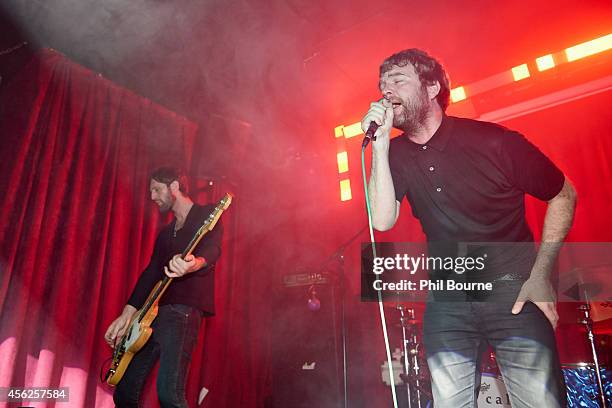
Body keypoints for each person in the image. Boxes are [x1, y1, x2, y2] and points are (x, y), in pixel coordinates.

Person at [361, 48, 576, 407]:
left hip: (514, 294)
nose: (386, 91)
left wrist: (541, 275)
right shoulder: (394, 155)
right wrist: (379, 148)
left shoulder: (495, 141)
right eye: (382, 84)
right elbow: (382, 220)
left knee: (539, 401)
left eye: (398, 80)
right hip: (447, 300)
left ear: (431, 89)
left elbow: (563, 194)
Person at [104, 167, 223, 408]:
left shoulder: (206, 214)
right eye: (150, 191)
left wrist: (195, 264)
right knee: (124, 393)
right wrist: (127, 313)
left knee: (169, 394)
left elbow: (213, 248)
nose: (152, 196)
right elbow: (151, 272)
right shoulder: (166, 233)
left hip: (183, 312)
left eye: (157, 189)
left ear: (175, 187)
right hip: (154, 314)